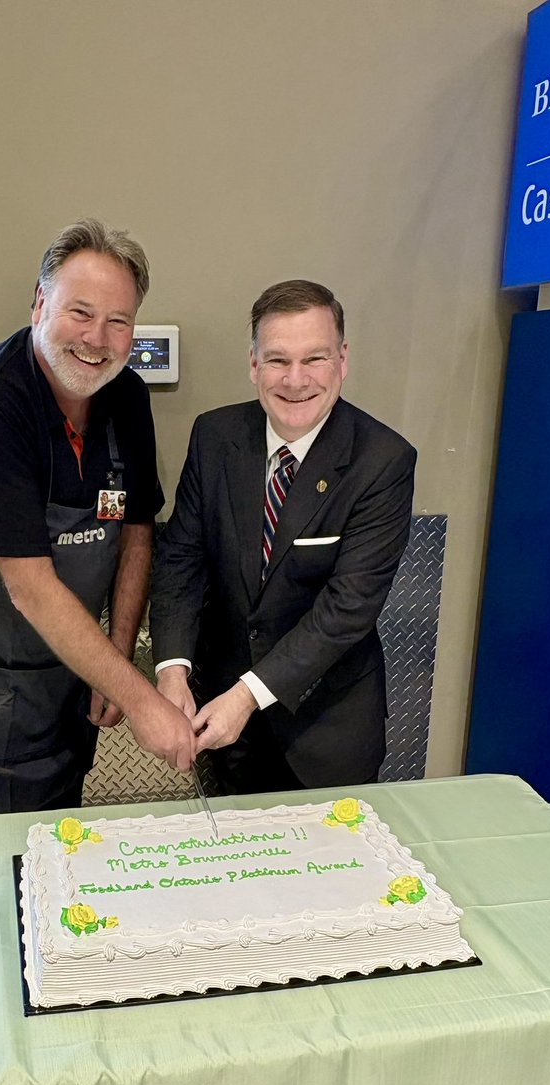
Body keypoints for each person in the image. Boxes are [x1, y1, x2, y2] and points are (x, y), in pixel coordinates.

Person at [0, 218, 194, 817]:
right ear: (40, 304)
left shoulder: (126, 397)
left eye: (118, 321)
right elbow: (31, 587)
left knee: (58, 841)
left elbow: (137, 530)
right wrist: (143, 700)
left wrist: (113, 660)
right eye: (80, 313)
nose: (97, 338)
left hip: (72, 670)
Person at [150, 279, 415, 793]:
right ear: (253, 365)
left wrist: (247, 696)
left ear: (342, 360)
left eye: (314, 359)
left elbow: (347, 610)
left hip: (327, 730)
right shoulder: (214, 436)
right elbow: (181, 560)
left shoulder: (383, 461)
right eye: (277, 360)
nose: (295, 380)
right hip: (227, 728)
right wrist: (172, 670)